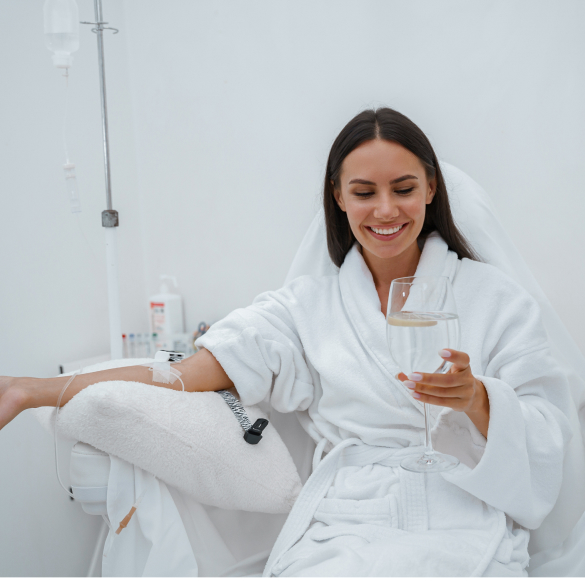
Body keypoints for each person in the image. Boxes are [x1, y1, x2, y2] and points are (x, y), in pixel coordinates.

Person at [0, 108, 573, 576]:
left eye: (403, 189)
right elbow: (190, 372)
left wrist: (477, 400)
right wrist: (33, 390)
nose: (385, 210)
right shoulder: (307, 307)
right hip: (350, 518)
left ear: (430, 189)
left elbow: (550, 430)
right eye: (364, 191)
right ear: (339, 197)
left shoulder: (494, 299)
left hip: (461, 504)